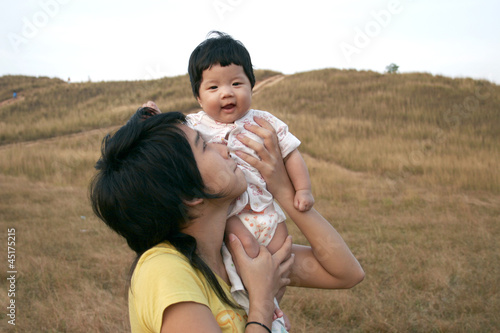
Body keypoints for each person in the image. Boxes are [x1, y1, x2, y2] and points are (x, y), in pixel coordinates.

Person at [89, 110, 364, 332]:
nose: (224, 148)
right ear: (189, 194)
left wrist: (283, 190)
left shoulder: (237, 253)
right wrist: (261, 302)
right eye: (205, 145)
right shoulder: (164, 271)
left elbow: (346, 273)